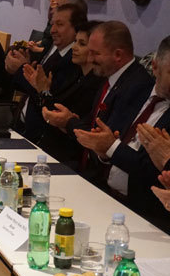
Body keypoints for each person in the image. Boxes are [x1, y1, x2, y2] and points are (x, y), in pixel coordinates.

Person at [73, 36, 170, 233]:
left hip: (146, 216)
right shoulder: (135, 91)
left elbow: (152, 170)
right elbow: (111, 137)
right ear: (155, 67)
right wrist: (103, 150)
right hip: (105, 194)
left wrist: (111, 147)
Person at [43, 21, 154, 183]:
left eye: (95, 54)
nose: (90, 58)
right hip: (86, 168)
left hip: (103, 178)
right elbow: (91, 123)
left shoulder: (136, 85)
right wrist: (70, 121)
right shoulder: (110, 76)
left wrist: (69, 122)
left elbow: (104, 136)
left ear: (118, 55)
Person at [26, 21, 105, 166]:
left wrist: (44, 91)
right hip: (49, 144)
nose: (74, 47)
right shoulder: (76, 74)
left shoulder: (97, 85)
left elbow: (60, 116)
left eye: (82, 44)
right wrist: (42, 90)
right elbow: (53, 109)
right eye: (75, 42)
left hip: (69, 156)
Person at [7, 3, 85, 142]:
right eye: (52, 24)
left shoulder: (73, 61)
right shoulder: (55, 50)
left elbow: (48, 99)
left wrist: (21, 69)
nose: (52, 30)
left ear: (76, 29)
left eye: (59, 24)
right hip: (23, 127)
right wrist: (25, 67)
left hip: (44, 137)